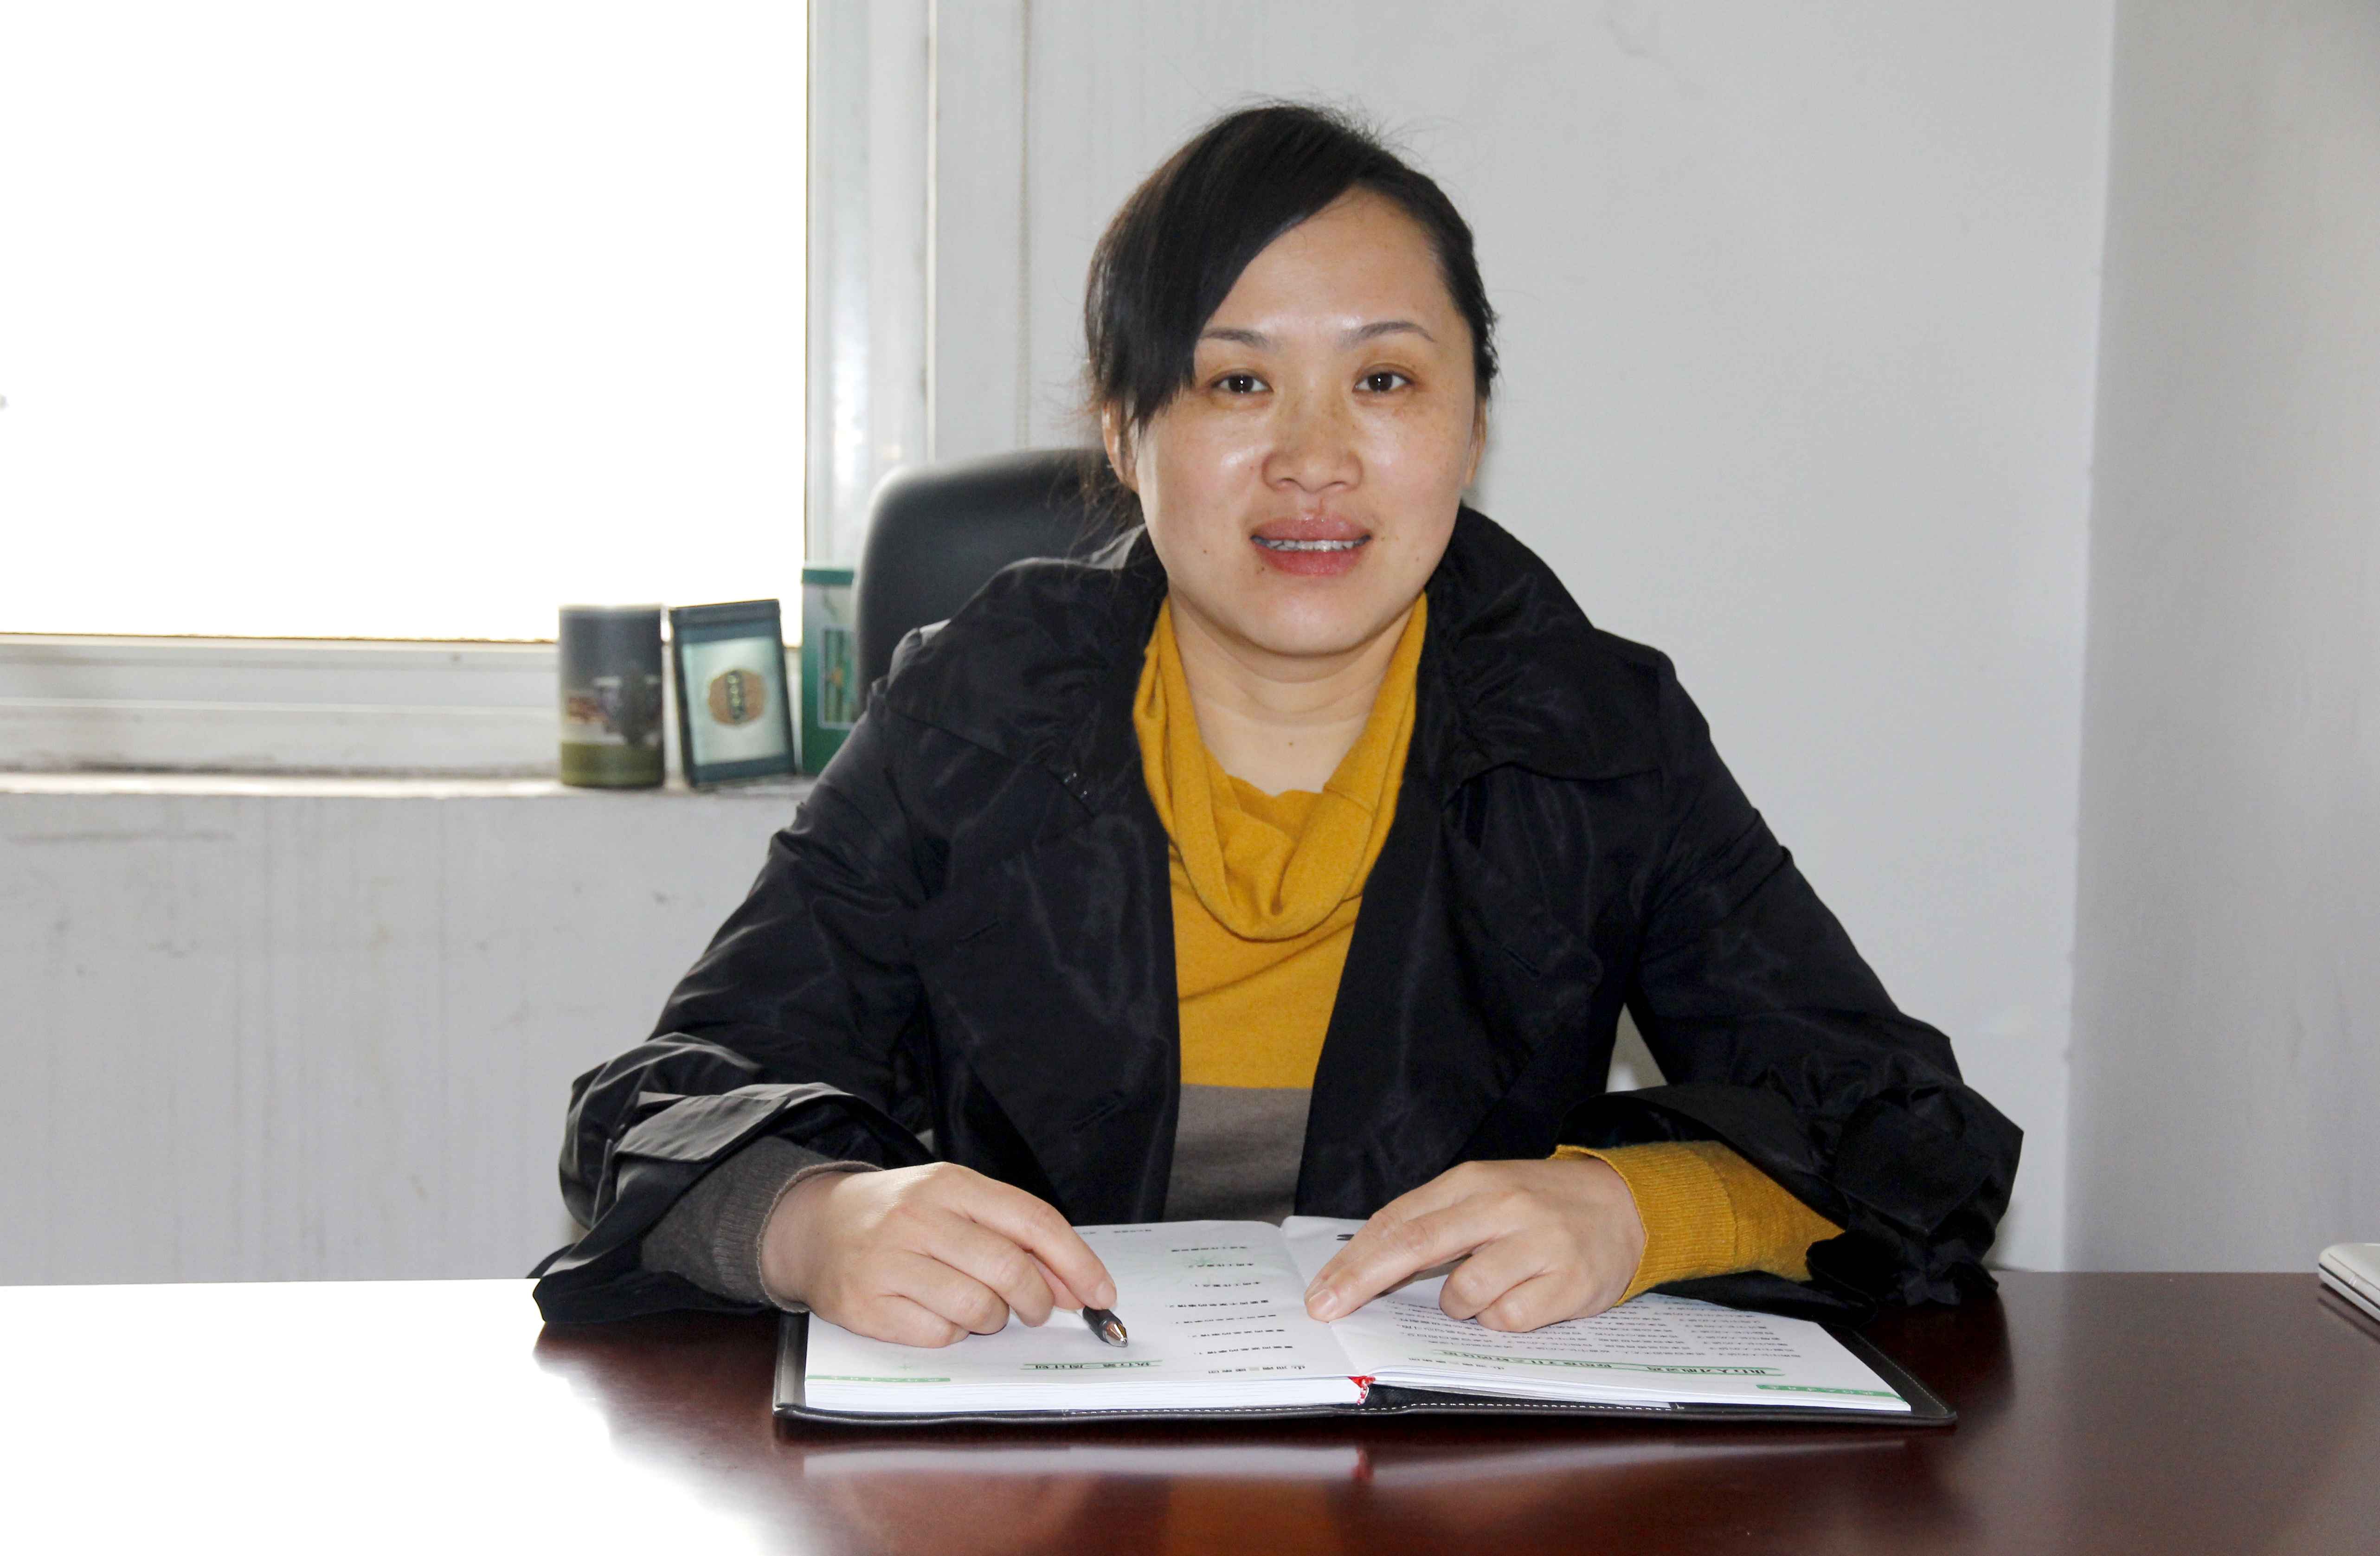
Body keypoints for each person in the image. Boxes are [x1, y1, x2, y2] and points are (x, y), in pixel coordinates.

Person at [533, 104, 2019, 1345]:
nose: (1314, 458)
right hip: (1045, 1458)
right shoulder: (974, 710)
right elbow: (660, 1107)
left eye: (1384, 379)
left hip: (1444, 1477)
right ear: (1124, 431)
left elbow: (1906, 1131)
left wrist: (1644, 1208)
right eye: (1237, 380)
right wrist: (810, 1221)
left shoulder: (1592, 730)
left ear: (1469, 425)